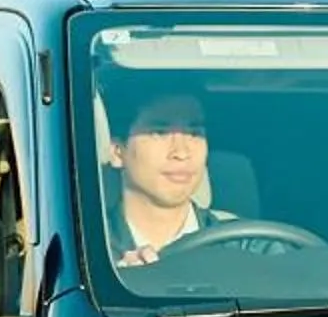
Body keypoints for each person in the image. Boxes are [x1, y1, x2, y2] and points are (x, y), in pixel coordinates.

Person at [101, 83, 236, 267]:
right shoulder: (85, 252)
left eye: (194, 133)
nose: (181, 152)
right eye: (159, 133)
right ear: (117, 152)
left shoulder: (243, 248)